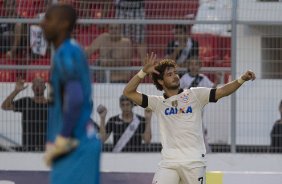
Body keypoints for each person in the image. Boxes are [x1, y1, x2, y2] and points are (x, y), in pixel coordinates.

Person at [123, 53, 256, 184]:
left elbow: (222, 91)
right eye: (169, 75)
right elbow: (128, 92)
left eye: (175, 72)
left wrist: (242, 79)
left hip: (194, 162)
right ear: (160, 81)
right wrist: (143, 72)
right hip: (169, 163)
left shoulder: (195, 94)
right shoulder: (157, 103)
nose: (175, 76)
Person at [40, 4, 100, 184]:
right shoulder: (72, 50)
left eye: (48, 19)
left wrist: (63, 138)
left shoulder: (65, 53)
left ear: (64, 24)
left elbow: (75, 98)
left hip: (75, 146)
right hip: (79, 143)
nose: (42, 23)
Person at [1, 77, 48, 151]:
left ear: (45, 87)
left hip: (47, 147)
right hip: (28, 147)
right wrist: (16, 91)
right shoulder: (26, 101)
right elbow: (5, 106)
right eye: (35, 84)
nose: (37, 86)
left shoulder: (51, 105)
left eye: (40, 83)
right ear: (32, 88)